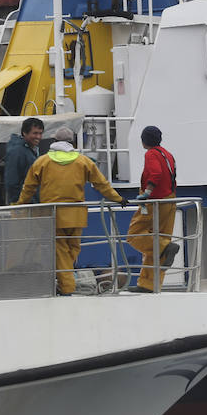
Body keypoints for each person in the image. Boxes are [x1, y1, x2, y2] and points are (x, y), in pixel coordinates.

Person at [18, 126, 123, 295]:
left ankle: (67, 287)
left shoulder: (42, 162)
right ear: (72, 142)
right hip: (76, 215)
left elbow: (28, 188)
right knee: (73, 249)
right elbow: (101, 184)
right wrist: (119, 198)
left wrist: (20, 204)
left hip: (53, 215)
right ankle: (67, 280)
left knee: (60, 251)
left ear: (54, 142)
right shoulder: (83, 161)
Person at [125, 125, 179, 293]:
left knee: (134, 235)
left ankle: (165, 247)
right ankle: (149, 285)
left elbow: (155, 173)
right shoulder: (168, 154)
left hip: (156, 201)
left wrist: (147, 192)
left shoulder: (151, 154)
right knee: (154, 240)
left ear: (143, 140)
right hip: (170, 200)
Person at [2, 117, 44, 205]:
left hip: (31, 203)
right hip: (24, 205)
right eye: (35, 133)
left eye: (40, 133)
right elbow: (12, 181)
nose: (38, 137)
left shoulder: (31, 150)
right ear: (24, 133)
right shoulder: (17, 151)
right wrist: (19, 203)